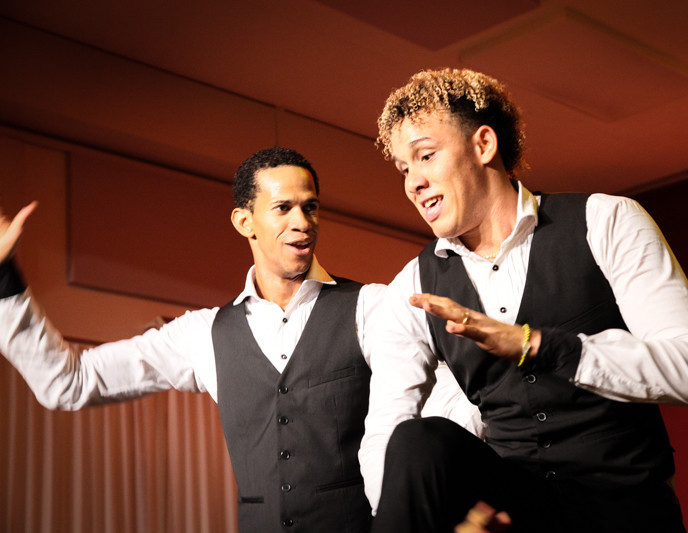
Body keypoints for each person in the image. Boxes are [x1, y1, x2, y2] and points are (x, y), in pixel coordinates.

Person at [0, 146, 479, 532]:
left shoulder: (372, 306)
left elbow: (448, 408)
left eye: (310, 207)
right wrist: (4, 280)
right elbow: (69, 382)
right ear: (244, 221)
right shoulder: (203, 333)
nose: (302, 222)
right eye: (283, 208)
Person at [358, 68, 688, 532]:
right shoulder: (413, 286)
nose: (413, 182)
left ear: (484, 144)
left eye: (425, 156)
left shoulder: (605, 220)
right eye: (404, 169)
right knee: (418, 440)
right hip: (521, 512)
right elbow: (384, 432)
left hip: (623, 509)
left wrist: (536, 344)